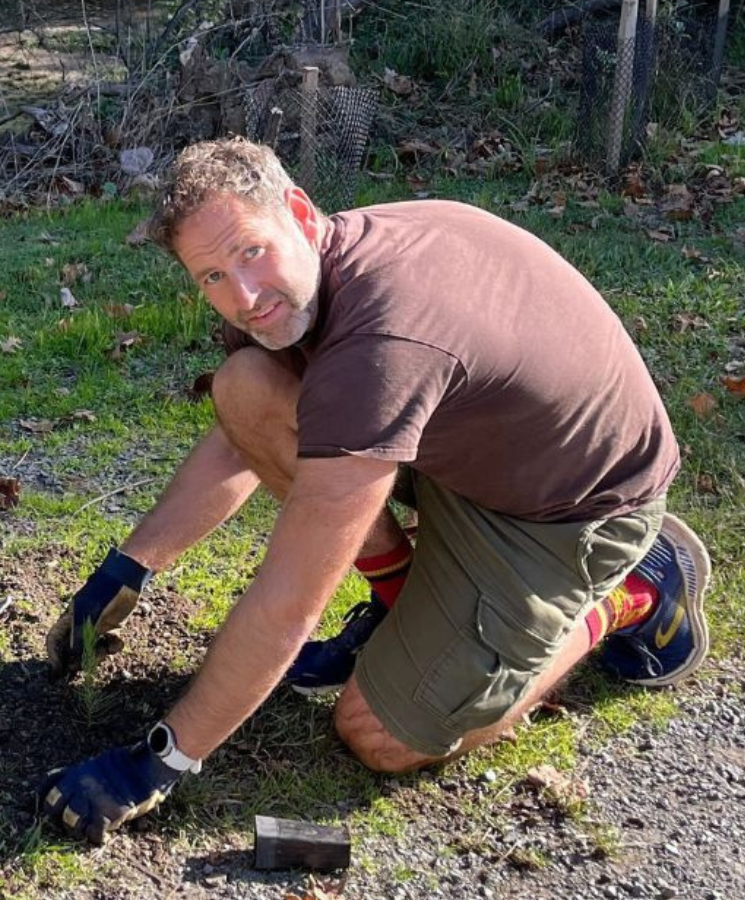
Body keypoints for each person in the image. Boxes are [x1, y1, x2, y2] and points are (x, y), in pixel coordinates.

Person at [37, 137, 711, 846]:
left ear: (297, 209)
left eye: (249, 253)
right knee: (248, 388)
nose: (242, 297)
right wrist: (130, 566)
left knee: (376, 733)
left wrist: (160, 760)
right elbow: (245, 433)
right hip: (478, 449)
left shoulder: (382, 337)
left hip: (571, 512)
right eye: (210, 276)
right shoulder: (308, 277)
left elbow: (291, 600)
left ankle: (636, 593)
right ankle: (409, 602)